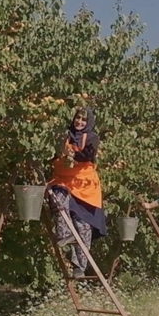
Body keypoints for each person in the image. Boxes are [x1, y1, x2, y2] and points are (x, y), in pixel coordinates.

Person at [46, 107, 107, 279]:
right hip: (63, 179)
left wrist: (71, 154)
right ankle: (64, 234)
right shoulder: (63, 135)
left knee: (83, 225)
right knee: (58, 199)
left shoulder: (92, 138)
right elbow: (50, 153)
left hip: (84, 184)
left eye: (83, 120)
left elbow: (85, 156)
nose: (79, 122)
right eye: (77, 118)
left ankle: (79, 266)